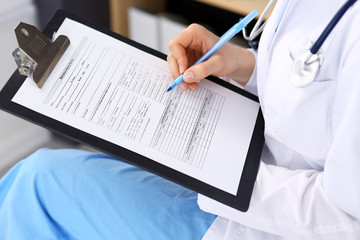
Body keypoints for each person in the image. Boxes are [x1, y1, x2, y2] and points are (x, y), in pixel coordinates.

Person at [1, 0, 360, 239]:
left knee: (36, 185)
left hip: (268, 222)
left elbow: (348, 218)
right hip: (255, 162)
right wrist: (245, 67)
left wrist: (221, 176)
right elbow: (315, 81)